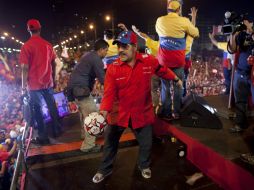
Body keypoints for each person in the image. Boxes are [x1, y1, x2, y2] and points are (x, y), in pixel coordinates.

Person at [92, 31, 182, 183]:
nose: (120, 50)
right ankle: (104, 170)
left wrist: (176, 78)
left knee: (146, 143)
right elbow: (108, 94)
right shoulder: (113, 68)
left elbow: (162, 70)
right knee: (110, 145)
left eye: (125, 46)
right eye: (119, 46)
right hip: (118, 113)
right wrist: (102, 113)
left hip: (142, 112)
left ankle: (144, 165)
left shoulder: (148, 61)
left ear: (134, 47)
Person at [19, 19, 62, 144]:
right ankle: (57, 129)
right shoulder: (48, 45)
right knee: (52, 106)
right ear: (40, 28)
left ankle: (43, 137)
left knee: (37, 110)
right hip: (47, 82)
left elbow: (24, 68)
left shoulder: (26, 46)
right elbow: (54, 63)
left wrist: (23, 87)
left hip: (33, 85)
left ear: (28, 30)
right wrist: (53, 78)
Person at [155, 0, 199, 119]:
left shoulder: (160, 20)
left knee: (165, 88)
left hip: (163, 62)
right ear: (179, 10)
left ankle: (167, 113)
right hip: (178, 62)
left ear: (168, 9)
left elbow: (159, 32)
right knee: (178, 87)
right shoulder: (183, 21)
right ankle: (177, 112)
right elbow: (195, 33)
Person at [67, 39, 108, 153]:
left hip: (76, 91)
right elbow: (103, 79)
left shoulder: (87, 56)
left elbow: (73, 77)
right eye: (106, 50)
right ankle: (88, 145)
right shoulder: (96, 59)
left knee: (84, 116)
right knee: (93, 117)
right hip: (81, 91)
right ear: (101, 50)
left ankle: (84, 135)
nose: (106, 53)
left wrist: (70, 98)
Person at [228, 19, 254, 133]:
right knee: (240, 102)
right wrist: (233, 34)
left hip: (252, 75)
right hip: (240, 72)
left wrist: (251, 29)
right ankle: (240, 124)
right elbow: (233, 49)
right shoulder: (243, 35)